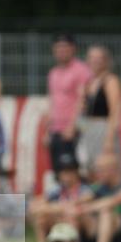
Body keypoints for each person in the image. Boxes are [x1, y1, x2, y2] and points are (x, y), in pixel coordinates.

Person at [28, 153, 93, 242]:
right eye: (63, 172)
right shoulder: (57, 190)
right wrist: (52, 208)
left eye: (70, 171)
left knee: (71, 217)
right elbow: (36, 205)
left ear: (76, 172)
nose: (67, 175)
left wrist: (52, 208)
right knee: (42, 217)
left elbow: (77, 204)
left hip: (80, 228)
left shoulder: (84, 189)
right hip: (59, 222)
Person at [45, 34, 91, 173]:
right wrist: (47, 131)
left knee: (74, 172)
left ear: (73, 49)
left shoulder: (82, 70)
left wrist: (75, 127)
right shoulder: (53, 73)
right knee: (58, 172)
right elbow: (52, 102)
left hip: (73, 131)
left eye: (65, 47)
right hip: (56, 130)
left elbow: (85, 102)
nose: (61, 51)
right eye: (58, 48)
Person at [78, 45, 121, 172]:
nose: (95, 61)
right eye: (92, 57)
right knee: (89, 168)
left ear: (106, 61)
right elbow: (83, 111)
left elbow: (115, 111)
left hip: (103, 128)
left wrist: (109, 139)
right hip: (88, 129)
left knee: (106, 168)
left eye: (98, 58)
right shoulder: (88, 83)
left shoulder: (110, 81)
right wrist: (82, 131)